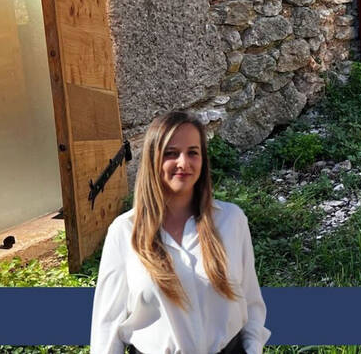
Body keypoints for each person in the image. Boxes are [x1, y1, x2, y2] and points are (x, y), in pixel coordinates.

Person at [90, 111, 270, 354]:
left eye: (193, 153)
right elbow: (107, 327)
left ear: (203, 160)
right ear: (153, 159)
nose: (184, 163)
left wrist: (253, 349)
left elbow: (251, 304)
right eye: (171, 153)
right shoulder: (124, 232)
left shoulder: (232, 221)